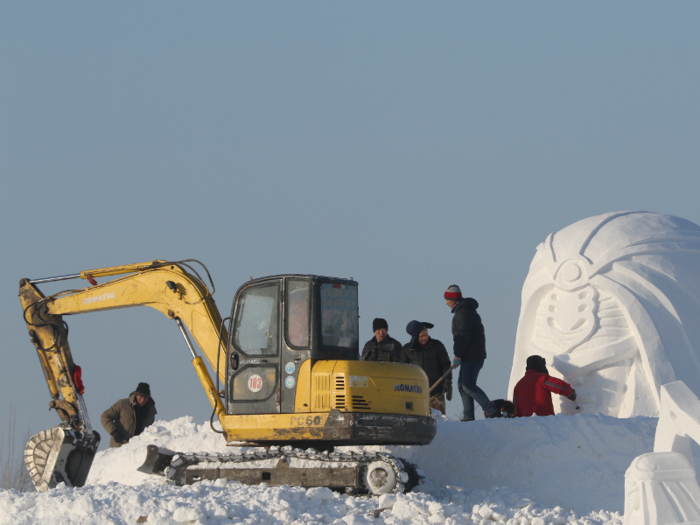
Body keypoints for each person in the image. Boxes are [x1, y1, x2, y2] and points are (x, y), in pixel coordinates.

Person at [444, 285, 500, 420]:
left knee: (467, 385)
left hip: (472, 355)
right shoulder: (463, 311)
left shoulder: (463, 312)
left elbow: (463, 336)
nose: (446, 303)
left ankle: (491, 411)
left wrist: (458, 354)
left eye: (447, 299)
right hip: (469, 355)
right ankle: (468, 417)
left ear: (453, 299)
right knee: (462, 386)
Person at [401, 320, 453, 414]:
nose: (424, 338)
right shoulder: (407, 350)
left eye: (425, 334)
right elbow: (401, 371)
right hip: (416, 393)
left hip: (436, 392)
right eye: (421, 336)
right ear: (415, 337)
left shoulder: (437, 346)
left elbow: (445, 365)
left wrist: (448, 383)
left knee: (439, 420)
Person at [512, 355, 577, 417]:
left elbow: (515, 408)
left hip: (526, 424)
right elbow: (557, 385)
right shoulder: (540, 378)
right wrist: (570, 392)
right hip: (543, 420)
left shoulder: (518, 385)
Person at [101, 382, 157, 448]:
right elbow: (105, 417)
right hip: (119, 447)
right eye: (141, 397)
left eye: (145, 398)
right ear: (136, 395)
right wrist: (114, 432)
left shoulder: (150, 411)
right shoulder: (122, 404)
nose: (142, 400)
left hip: (138, 449)